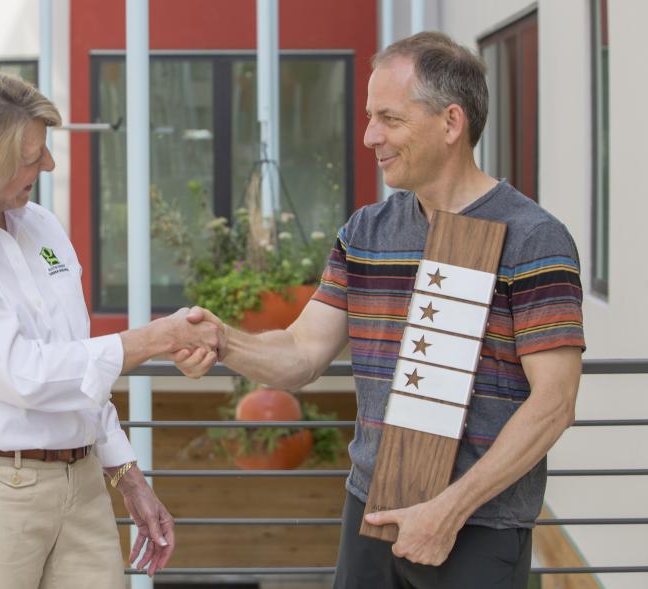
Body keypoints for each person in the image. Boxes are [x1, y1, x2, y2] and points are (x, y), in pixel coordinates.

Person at [175, 31, 585, 589]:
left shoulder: (534, 238)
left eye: (389, 118)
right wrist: (224, 341)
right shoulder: (367, 231)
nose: (370, 136)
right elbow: (301, 352)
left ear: (451, 123)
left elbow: (554, 403)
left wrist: (448, 511)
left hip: (477, 525)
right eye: (370, 117)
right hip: (370, 509)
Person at [0, 66, 220, 588]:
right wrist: (155, 338)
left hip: (82, 483)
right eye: (29, 158)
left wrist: (126, 475)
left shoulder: (39, 224)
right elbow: (29, 375)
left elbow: (74, 360)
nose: (49, 163)